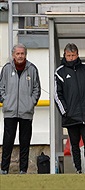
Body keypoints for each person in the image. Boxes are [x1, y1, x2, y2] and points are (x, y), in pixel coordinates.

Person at [54, 43, 85, 174]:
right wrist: (65, 112)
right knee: (74, 143)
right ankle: (78, 169)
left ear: (77, 54)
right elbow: (57, 94)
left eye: (73, 55)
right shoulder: (59, 72)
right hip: (70, 116)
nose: (71, 58)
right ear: (65, 55)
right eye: (68, 55)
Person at [0, 43, 41, 174]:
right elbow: (1, 88)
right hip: (10, 112)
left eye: (22, 53)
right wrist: (6, 101)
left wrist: (31, 102)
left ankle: (23, 170)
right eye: (17, 53)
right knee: (7, 142)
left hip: (26, 112)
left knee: (25, 142)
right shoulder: (6, 69)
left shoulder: (32, 69)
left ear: (25, 55)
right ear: (13, 55)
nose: (20, 56)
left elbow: (37, 89)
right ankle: (4, 169)